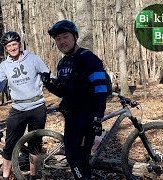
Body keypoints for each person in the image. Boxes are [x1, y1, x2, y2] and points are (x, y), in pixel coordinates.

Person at [41, 20, 108, 180]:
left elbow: (101, 89)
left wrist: (98, 117)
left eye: (65, 37)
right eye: (58, 39)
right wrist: (48, 83)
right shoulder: (63, 62)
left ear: (75, 37)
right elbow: (63, 91)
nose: (62, 41)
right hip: (70, 118)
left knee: (77, 159)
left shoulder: (88, 58)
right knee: (74, 158)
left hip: (87, 117)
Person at [0, 31, 50, 180]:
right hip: (18, 108)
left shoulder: (33, 59)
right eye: (9, 46)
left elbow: (49, 76)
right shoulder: (4, 66)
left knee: (35, 144)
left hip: (37, 106)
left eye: (14, 44)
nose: (12, 48)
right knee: (10, 144)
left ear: (19, 44)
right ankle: (5, 176)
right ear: (6, 48)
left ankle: (33, 176)